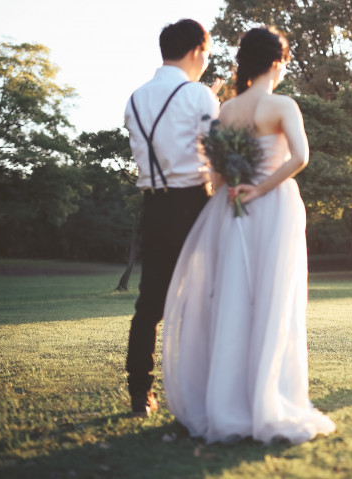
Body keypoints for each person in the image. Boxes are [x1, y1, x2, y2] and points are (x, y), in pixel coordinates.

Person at [162, 26, 336, 444]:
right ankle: (267, 399)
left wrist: (240, 187)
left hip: (229, 211)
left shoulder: (226, 110)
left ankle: (226, 401)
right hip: (272, 207)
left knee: (232, 301)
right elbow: (300, 157)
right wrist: (260, 188)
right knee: (272, 301)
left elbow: (218, 177)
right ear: (277, 62)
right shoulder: (281, 104)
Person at [123, 19, 221, 418]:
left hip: (153, 205)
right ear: (198, 50)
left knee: (149, 304)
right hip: (194, 203)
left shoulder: (135, 98)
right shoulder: (198, 96)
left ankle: (140, 395)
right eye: (208, 54)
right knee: (205, 298)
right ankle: (203, 389)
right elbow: (215, 155)